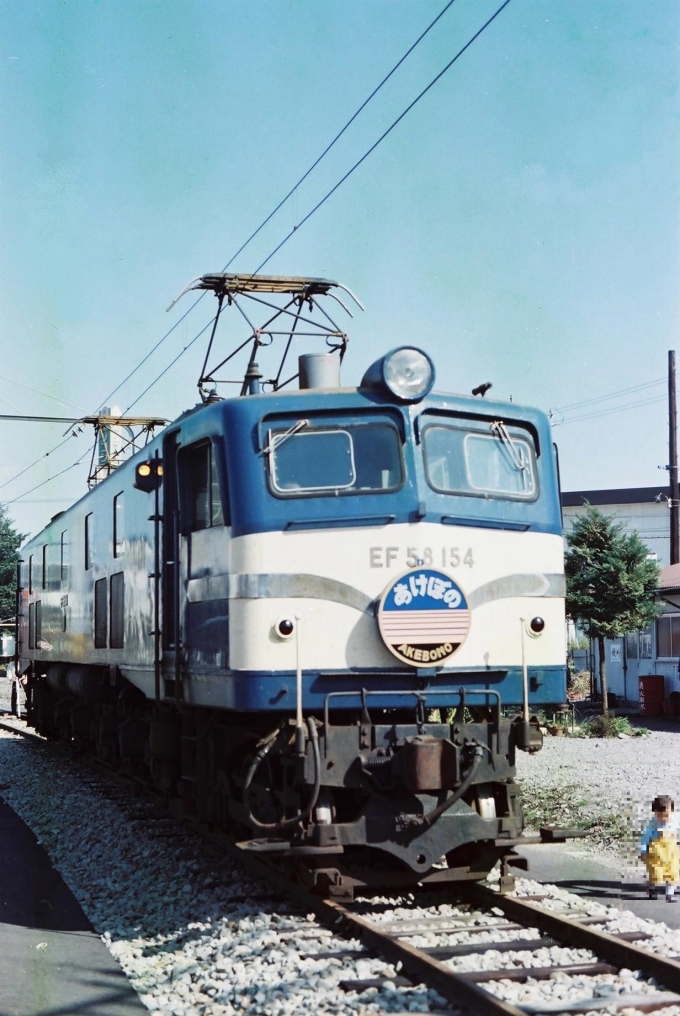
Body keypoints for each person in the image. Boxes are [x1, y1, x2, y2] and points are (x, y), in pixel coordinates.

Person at [639, 795, 680, 901]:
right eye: (659, 816)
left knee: (673, 872)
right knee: (655, 873)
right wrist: (643, 851)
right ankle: (651, 888)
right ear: (655, 813)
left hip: (671, 853)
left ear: (672, 810)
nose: (663, 819)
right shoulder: (653, 824)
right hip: (656, 854)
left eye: (666, 815)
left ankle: (669, 894)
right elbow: (645, 839)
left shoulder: (675, 820)